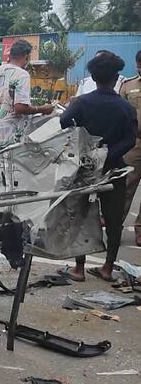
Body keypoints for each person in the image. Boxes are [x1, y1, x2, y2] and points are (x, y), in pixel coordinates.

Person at [58, 52, 137, 282]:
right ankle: (107, 268)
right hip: (114, 169)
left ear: (93, 77)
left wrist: (90, 151)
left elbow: (65, 123)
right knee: (113, 221)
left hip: (85, 170)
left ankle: (79, 269)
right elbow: (130, 140)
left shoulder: (82, 103)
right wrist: (108, 155)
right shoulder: (125, 108)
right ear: (116, 78)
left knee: (81, 218)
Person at [0, 39, 54, 153]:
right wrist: (42, 109)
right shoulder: (22, 75)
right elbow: (20, 107)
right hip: (10, 140)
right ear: (26, 56)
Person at [120, 50, 141, 247]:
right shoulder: (128, 85)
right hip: (134, 144)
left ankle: (140, 230)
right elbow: (120, 113)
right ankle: (114, 225)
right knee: (125, 187)